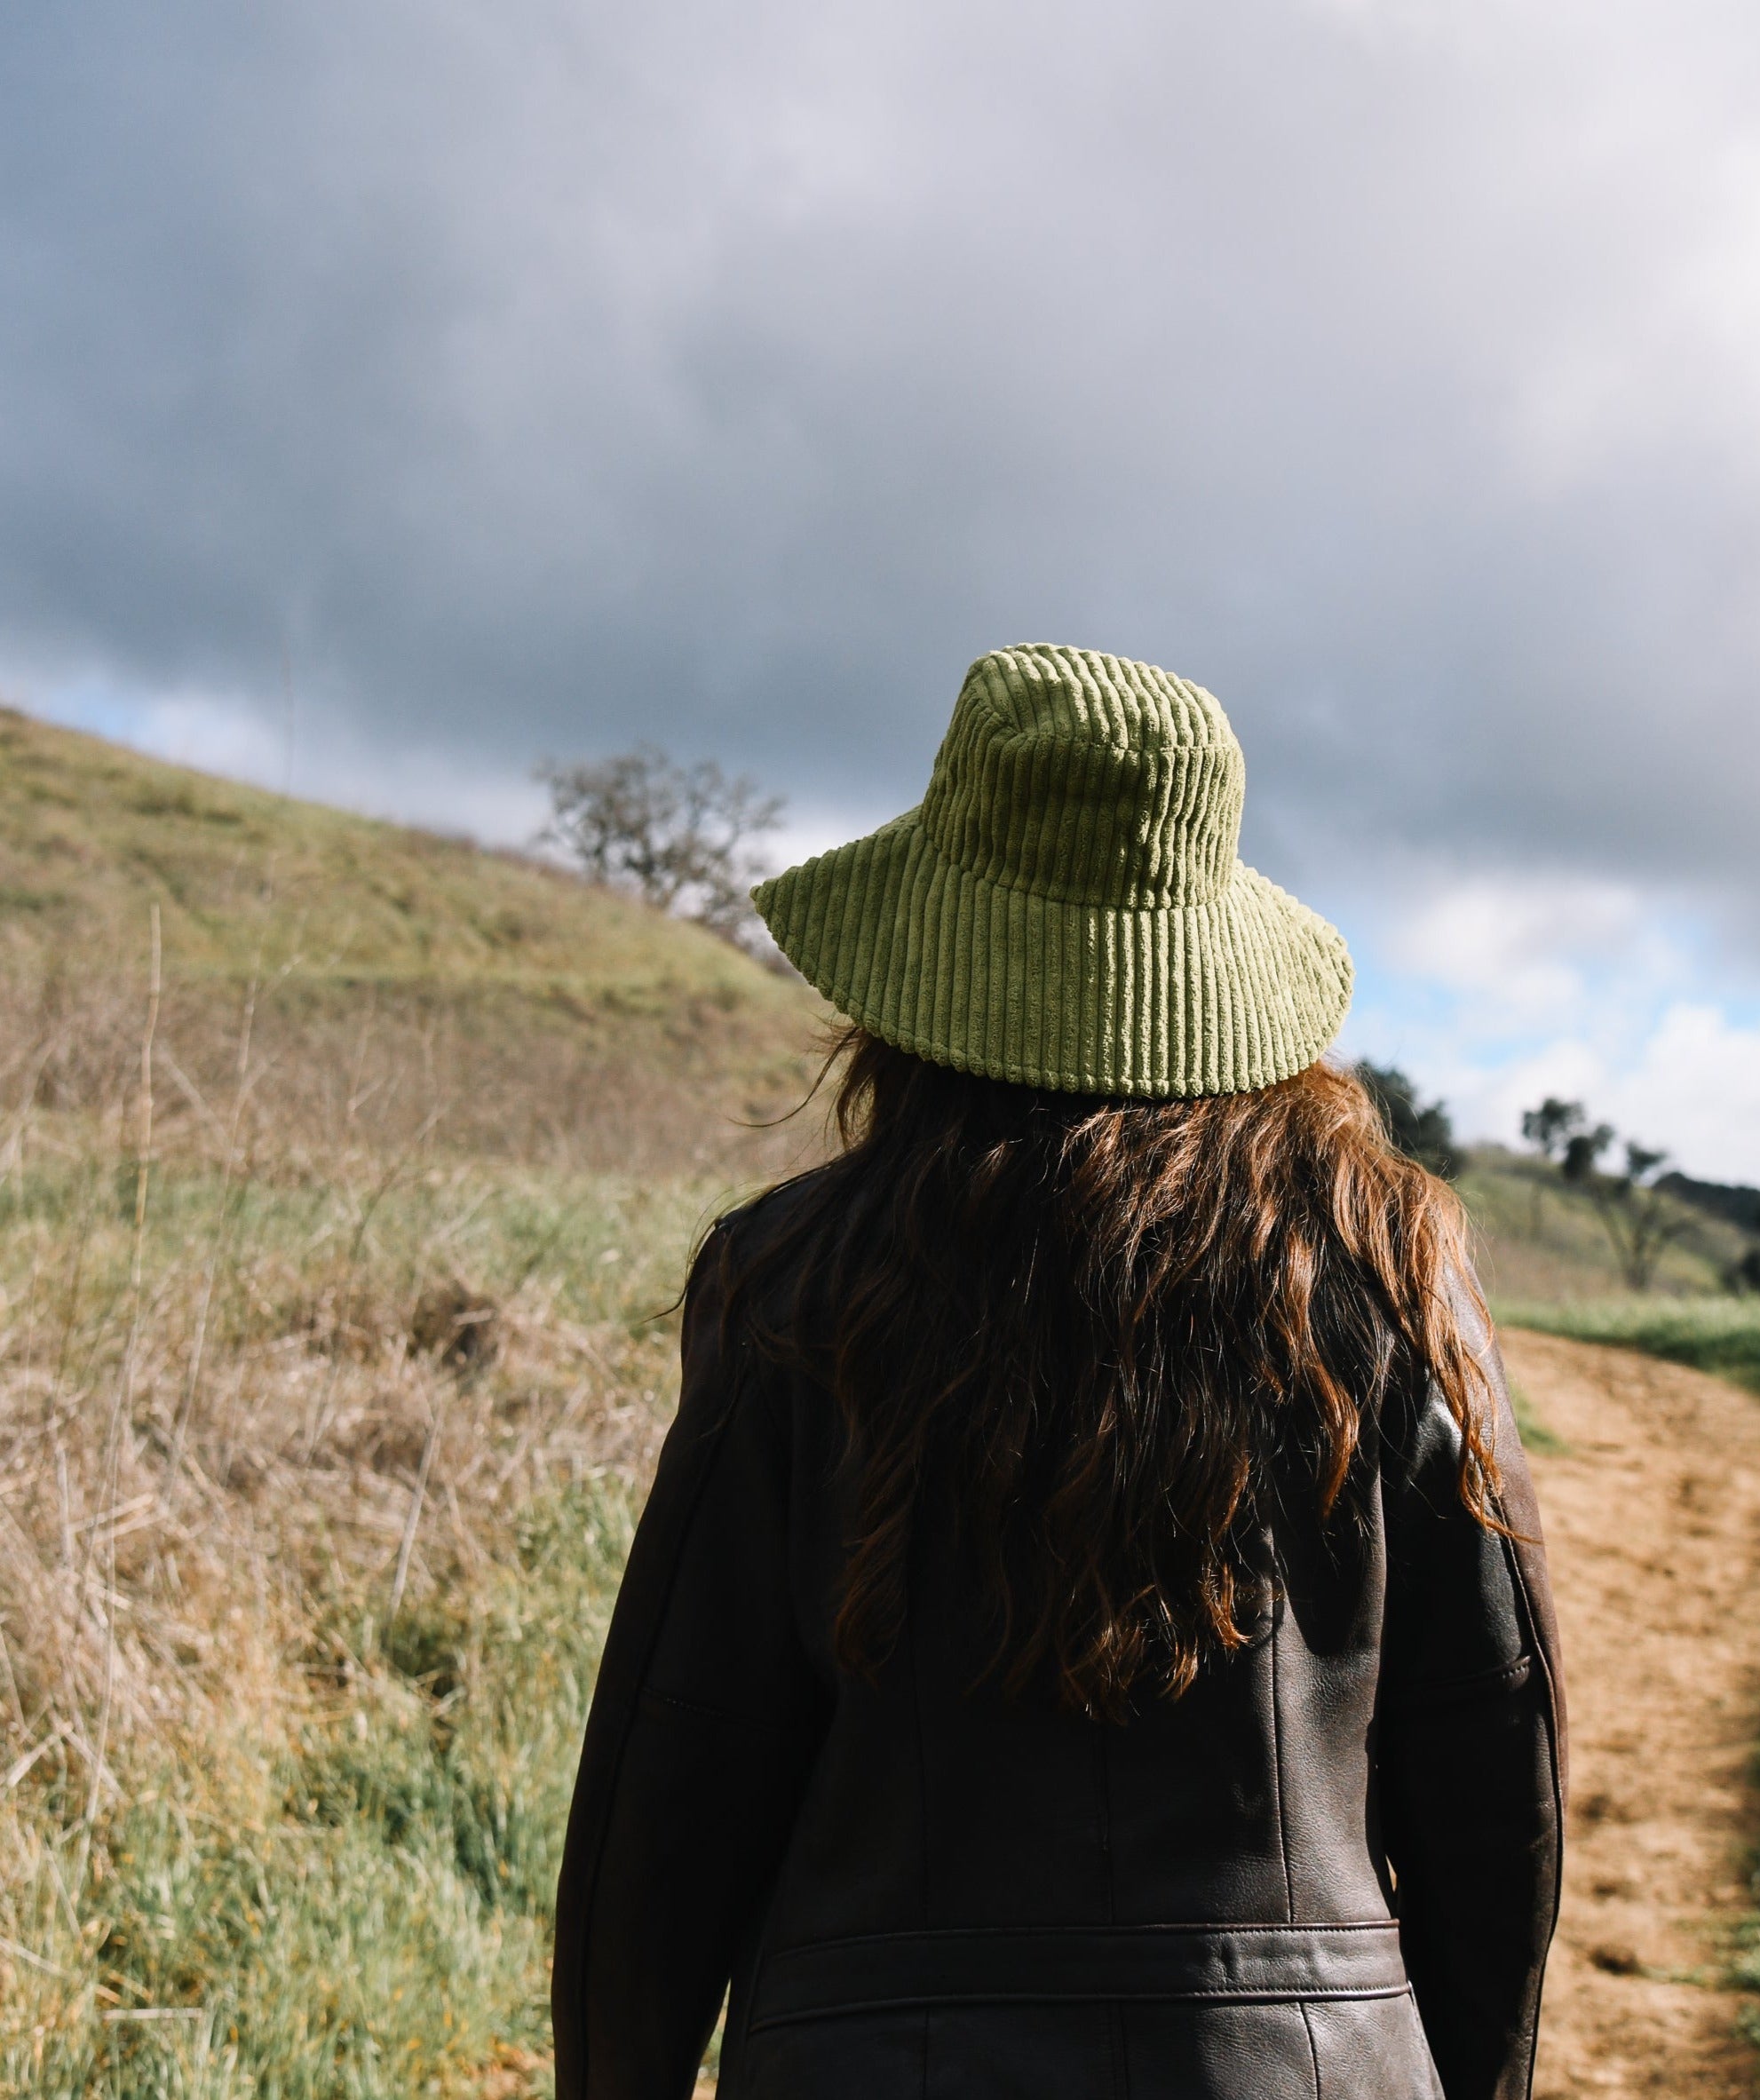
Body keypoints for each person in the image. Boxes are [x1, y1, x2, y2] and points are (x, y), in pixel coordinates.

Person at [553, 645, 1565, 2100]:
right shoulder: (1384, 1269)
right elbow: (1492, 1755)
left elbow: (677, 1769)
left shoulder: (793, 1285)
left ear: (922, 963)